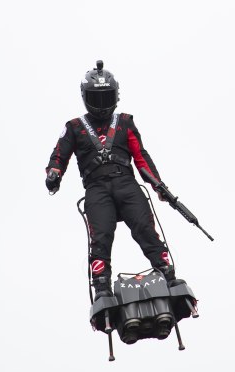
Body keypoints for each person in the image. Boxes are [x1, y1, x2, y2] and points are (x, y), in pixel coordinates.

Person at [45, 60, 184, 301]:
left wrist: (159, 186)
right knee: (100, 238)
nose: (101, 104)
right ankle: (102, 288)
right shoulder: (74, 127)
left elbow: (141, 157)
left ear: (115, 96)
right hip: (96, 188)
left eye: (106, 97)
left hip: (126, 183)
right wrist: (54, 173)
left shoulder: (125, 122)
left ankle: (167, 274)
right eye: (95, 98)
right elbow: (59, 155)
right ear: (85, 97)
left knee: (145, 228)